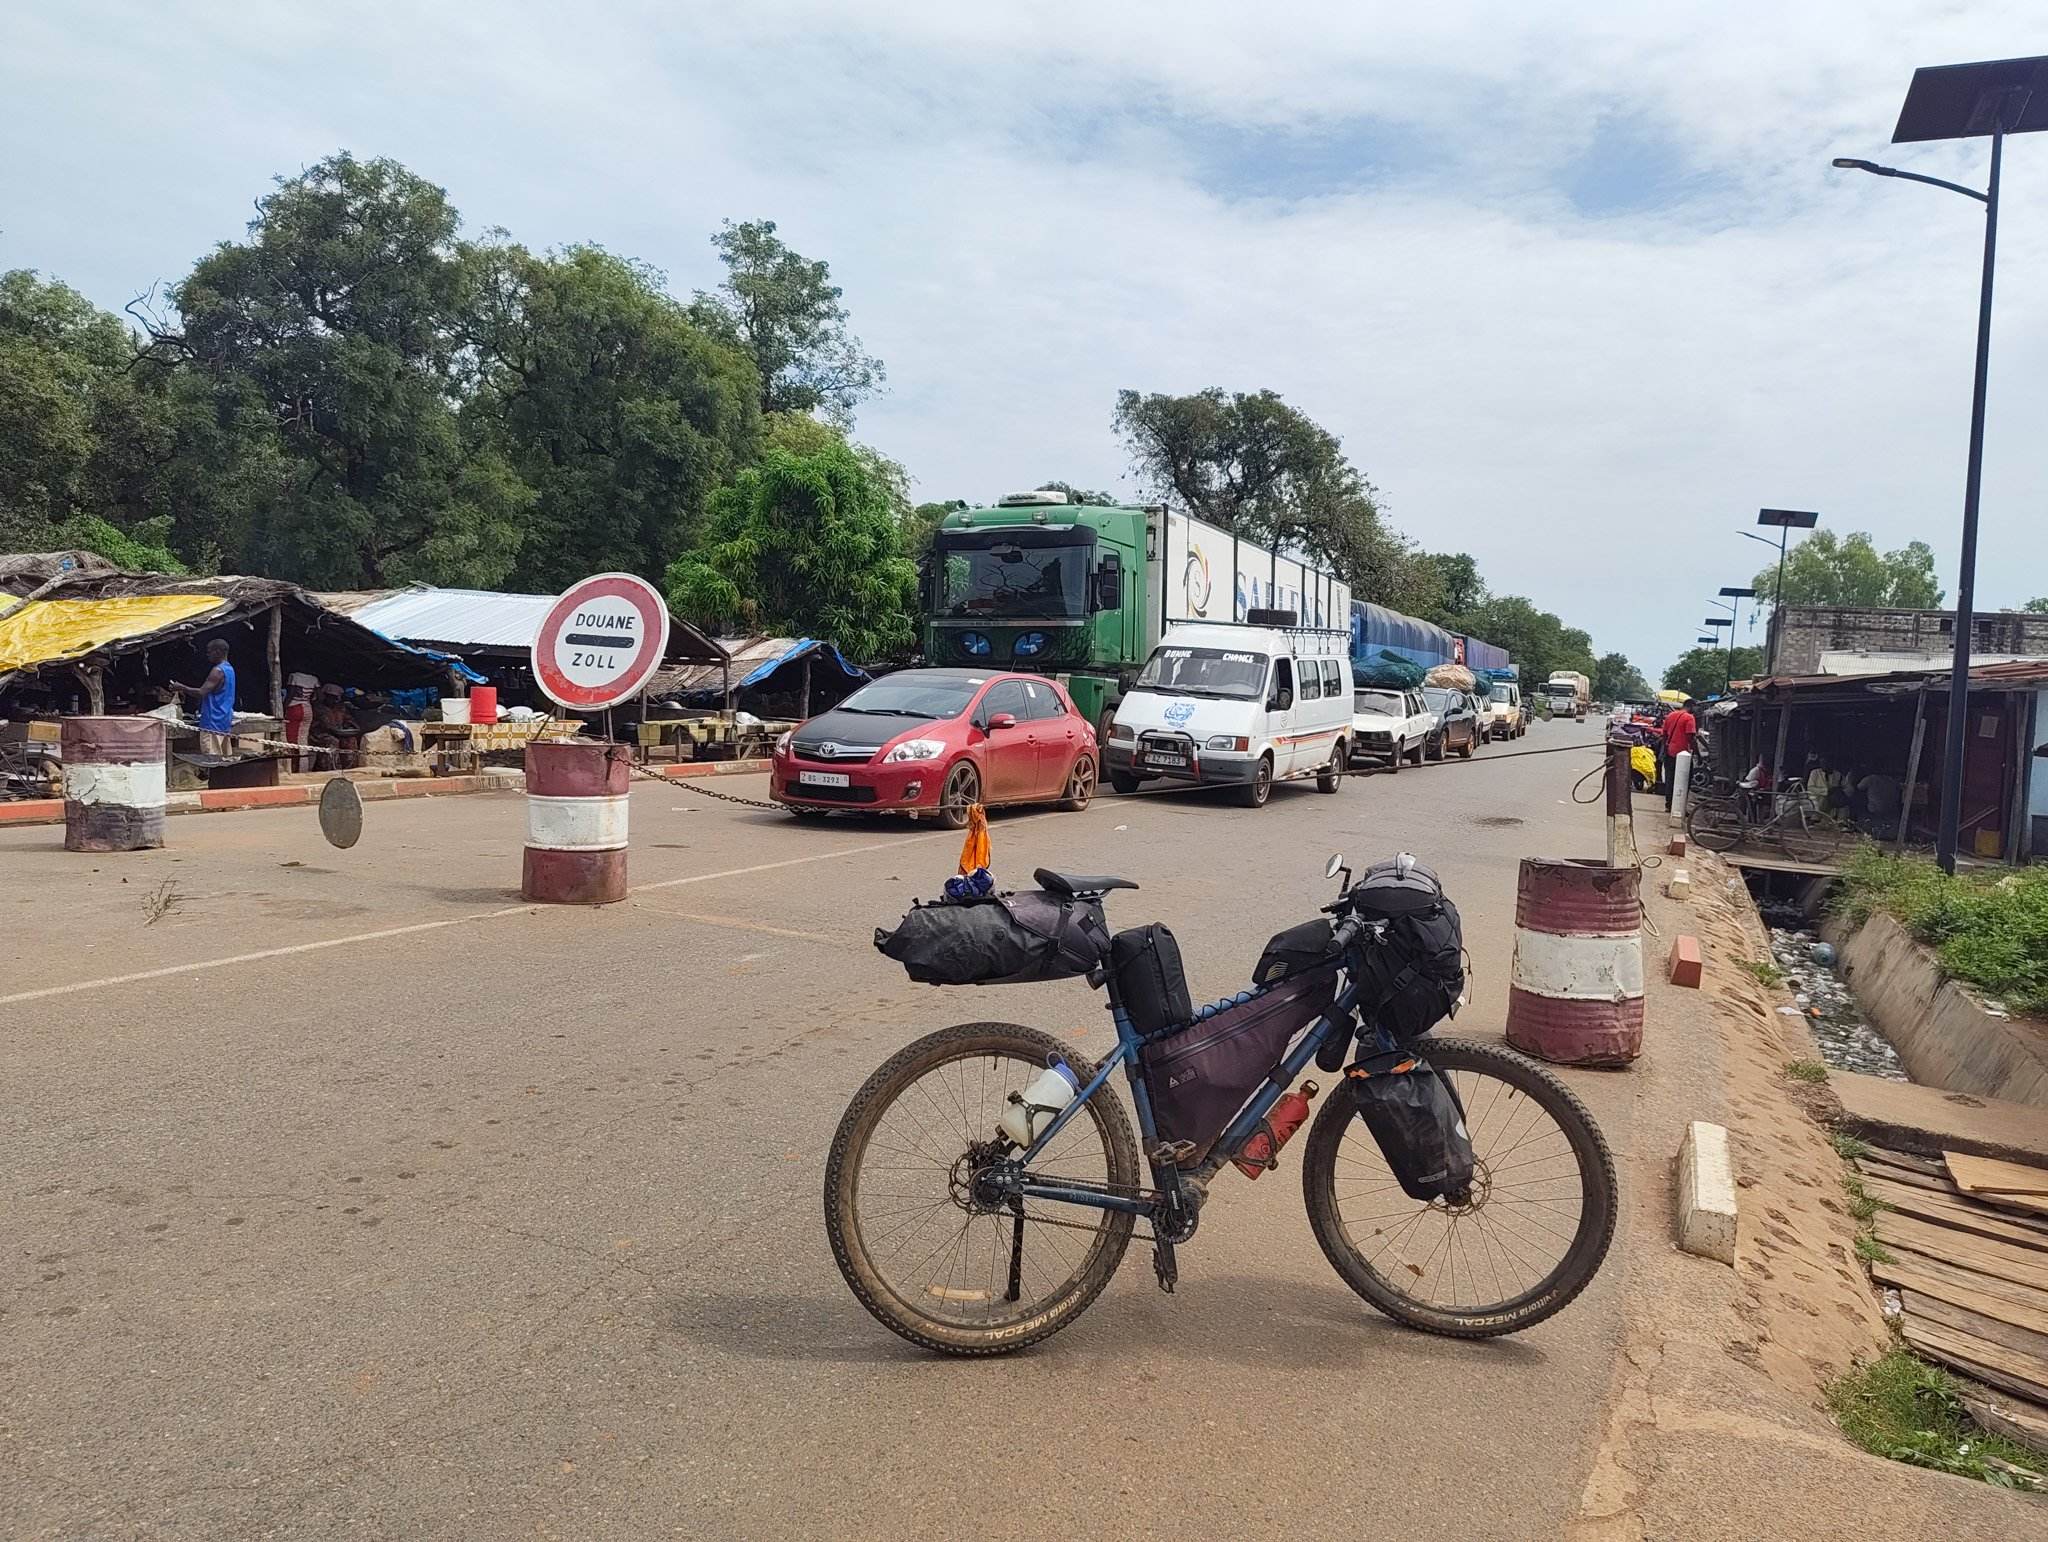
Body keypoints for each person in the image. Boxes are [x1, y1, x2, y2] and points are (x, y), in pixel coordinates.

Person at [174, 639, 237, 756]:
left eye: (209, 652)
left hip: (212, 722)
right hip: (224, 720)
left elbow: (201, 692)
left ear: (217, 652)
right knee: (223, 759)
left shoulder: (217, 671)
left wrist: (181, 687)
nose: (207, 655)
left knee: (211, 759)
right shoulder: (230, 669)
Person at [310, 684, 362, 768]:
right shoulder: (318, 708)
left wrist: (351, 725)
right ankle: (330, 767)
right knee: (332, 741)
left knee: (351, 740)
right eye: (332, 697)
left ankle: (349, 767)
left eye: (336, 698)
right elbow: (326, 726)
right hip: (320, 734)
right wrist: (337, 731)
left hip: (339, 733)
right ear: (326, 696)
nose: (335, 700)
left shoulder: (341, 707)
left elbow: (348, 719)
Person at [1659, 697, 1698, 810]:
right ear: (1691, 706)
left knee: (1669, 779)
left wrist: (1665, 749)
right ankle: (1680, 806)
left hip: (1669, 752)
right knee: (1684, 780)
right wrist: (1697, 754)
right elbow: (1691, 737)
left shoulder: (1671, 716)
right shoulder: (1689, 718)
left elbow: (1664, 734)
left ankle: (1669, 804)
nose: (1696, 710)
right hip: (1683, 754)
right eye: (1695, 707)